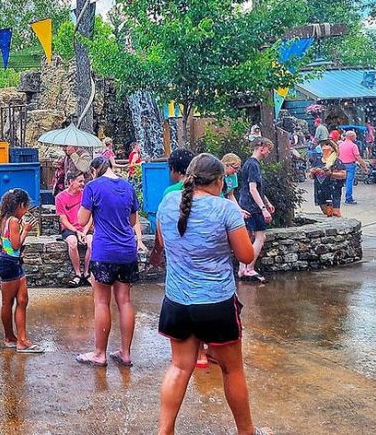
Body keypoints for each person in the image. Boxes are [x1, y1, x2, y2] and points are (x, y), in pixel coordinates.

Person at [153, 154, 264, 435]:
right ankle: (247, 432)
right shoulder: (225, 209)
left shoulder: (167, 203)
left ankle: (164, 431)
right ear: (219, 181)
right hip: (215, 302)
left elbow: (165, 243)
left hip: (177, 301)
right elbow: (246, 255)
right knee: (232, 370)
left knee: (179, 367)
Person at [75, 156, 141, 368]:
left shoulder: (93, 187)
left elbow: (82, 220)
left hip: (105, 251)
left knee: (102, 301)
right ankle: (126, 353)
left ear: (94, 171)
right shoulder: (128, 186)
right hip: (127, 251)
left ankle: (99, 353)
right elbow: (132, 221)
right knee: (125, 301)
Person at [0, 188, 44, 353]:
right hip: (10, 263)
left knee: (21, 300)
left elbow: (7, 245)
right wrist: (26, 231)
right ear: (20, 205)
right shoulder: (14, 221)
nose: (27, 210)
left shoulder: (4, 218)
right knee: (11, 302)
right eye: (26, 206)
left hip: (9, 261)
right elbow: (15, 245)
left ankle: (15, 338)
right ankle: (16, 339)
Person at [235, 138, 274, 284]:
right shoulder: (253, 165)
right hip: (252, 207)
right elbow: (252, 189)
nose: (269, 152)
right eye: (268, 149)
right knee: (260, 237)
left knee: (248, 237)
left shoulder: (250, 164)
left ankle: (242, 269)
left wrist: (267, 202)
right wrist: (263, 209)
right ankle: (249, 268)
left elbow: (257, 188)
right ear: (261, 147)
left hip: (248, 204)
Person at [56, 169, 94, 287]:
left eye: (83, 181)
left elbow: (91, 216)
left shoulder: (86, 195)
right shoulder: (60, 197)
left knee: (91, 243)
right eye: (80, 181)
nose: (82, 184)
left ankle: (87, 273)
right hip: (70, 228)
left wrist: (84, 231)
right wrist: (76, 231)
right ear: (71, 181)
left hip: (86, 227)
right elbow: (63, 220)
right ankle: (78, 273)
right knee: (72, 243)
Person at [310, 140, 347, 217]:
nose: (324, 146)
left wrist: (331, 174)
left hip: (333, 188)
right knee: (325, 211)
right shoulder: (317, 160)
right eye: (323, 145)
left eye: (327, 145)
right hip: (320, 188)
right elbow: (311, 176)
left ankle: (339, 225)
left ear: (332, 148)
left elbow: (343, 174)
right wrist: (313, 172)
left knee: (335, 212)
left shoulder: (336, 161)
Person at [338, 131, 369, 205]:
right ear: (351, 137)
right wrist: (364, 166)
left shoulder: (340, 145)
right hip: (350, 165)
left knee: (339, 182)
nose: (356, 138)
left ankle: (336, 198)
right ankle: (348, 198)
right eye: (355, 136)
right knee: (349, 182)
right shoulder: (353, 146)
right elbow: (358, 157)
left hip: (341, 165)